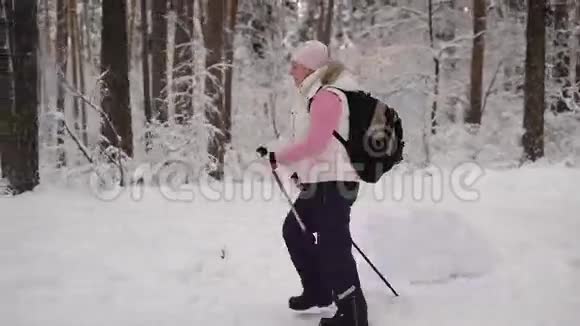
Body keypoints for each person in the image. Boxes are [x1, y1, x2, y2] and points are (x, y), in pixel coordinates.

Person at [258, 40, 368, 326]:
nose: (291, 71)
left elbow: (316, 144)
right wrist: (301, 172)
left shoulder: (328, 96)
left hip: (337, 181)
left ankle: (354, 314)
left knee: (334, 245)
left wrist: (279, 156)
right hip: (322, 180)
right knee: (294, 231)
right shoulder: (315, 95)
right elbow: (323, 145)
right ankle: (319, 290)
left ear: (309, 67)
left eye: (295, 65)